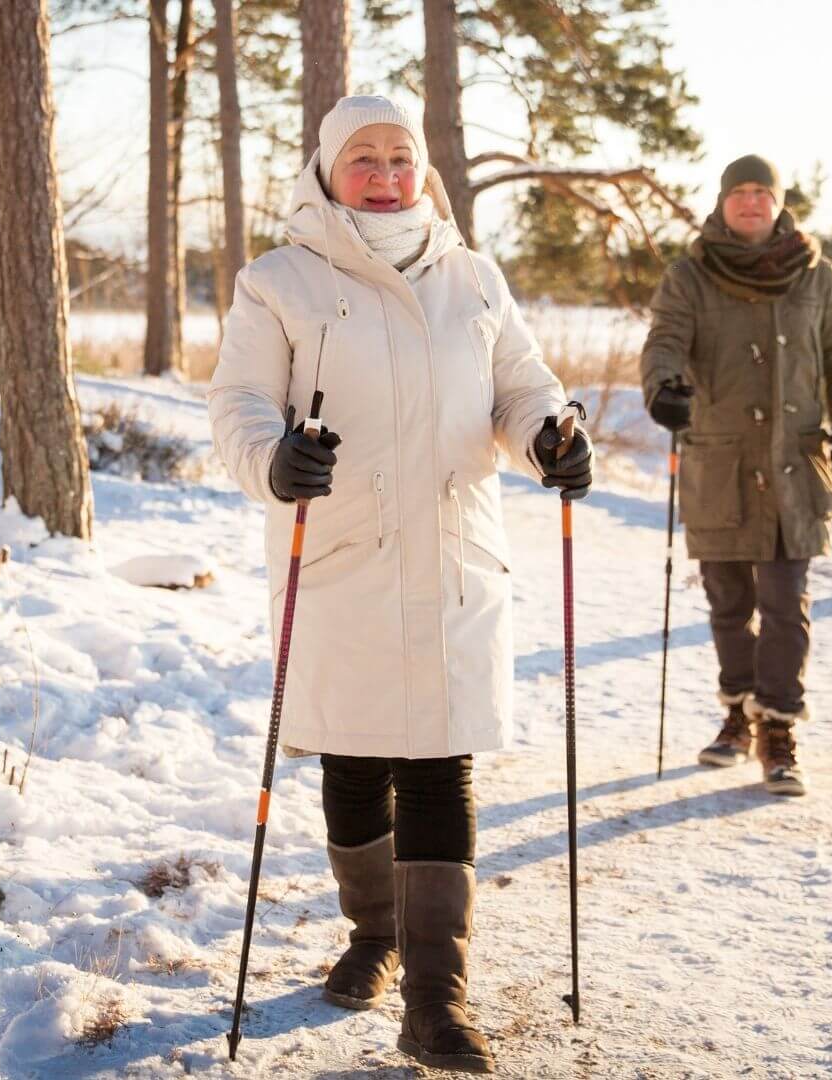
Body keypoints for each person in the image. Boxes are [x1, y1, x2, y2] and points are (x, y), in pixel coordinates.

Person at [207, 94, 589, 1074]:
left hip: (456, 554)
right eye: (363, 157)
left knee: (439, 764)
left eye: (400, 156)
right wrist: (273, 459)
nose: (384, 172)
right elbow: (241, 404)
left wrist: (551, 437)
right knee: (353, 763)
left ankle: (435, 998)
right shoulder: (278, 282)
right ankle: (372, 933)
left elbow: (522, 387)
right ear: (328, 172)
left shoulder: (473, 278)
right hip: (340, 556)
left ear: (424, 171)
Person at [638, 154, 832, 798]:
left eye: (760, 193)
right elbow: (664, 340)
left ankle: (778, 729)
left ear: (777, 203)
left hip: (794, 466)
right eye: (738, 192)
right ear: (721, 203)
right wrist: (665, 388)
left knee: (786, 606)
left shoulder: (815, 275)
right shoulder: (690, 275)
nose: (749, 203)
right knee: (730, 605)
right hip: (722, 464)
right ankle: (737, 714)